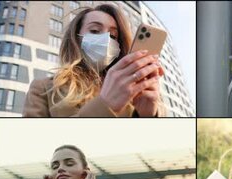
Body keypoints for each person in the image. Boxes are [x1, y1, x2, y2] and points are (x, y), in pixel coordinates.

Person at [23, 4, 166, 117]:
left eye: (113, 36)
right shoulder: (43, 88)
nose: (105, 40)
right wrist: (104, 105)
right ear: (76, 38)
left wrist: (149, 115)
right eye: (95, 31)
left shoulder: (133, 91)